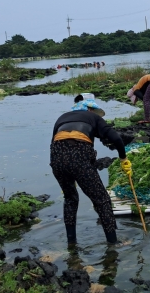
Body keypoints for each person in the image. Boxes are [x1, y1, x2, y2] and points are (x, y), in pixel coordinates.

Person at [51, 95, 132, 245]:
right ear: (89, 108)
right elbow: (116, 138)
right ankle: (114, 243)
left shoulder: (62, 118)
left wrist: (66, 171)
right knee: (102, 200)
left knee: (70, 199)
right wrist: (123, 159)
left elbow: (54, 144)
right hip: (79, 157)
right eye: (94, 110)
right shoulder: (92, 117)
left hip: (57, 159)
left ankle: (71, 243)